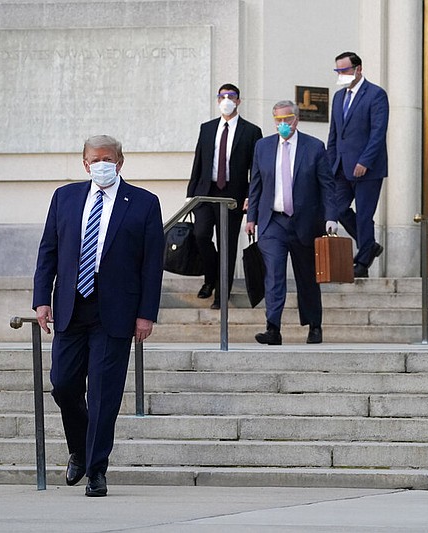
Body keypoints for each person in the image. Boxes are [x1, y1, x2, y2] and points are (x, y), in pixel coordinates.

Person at [32, 135, 164, 496]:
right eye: (94, 159)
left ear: (120, 162)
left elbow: (152, 265)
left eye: (107, 158)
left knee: (104, 393)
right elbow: (49, 250)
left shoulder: (143, 203)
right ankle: (79, 448)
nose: (100, 164)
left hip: (116, 311)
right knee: (63, 384)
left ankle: (96, 470)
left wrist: (146, 314)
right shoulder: (65, 197)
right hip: (71, 308)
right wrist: (41, 299)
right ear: (84, 163)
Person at [246, 101, 337, 345]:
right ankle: (273, 328)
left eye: (287, 119)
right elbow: (255, 184)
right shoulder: (262, 147)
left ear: (296, 120)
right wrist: (251, 217)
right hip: (272, 221)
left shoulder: (314, 147)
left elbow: (327, 185)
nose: (282, 124)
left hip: (305, 222)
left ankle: (314, 325)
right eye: (278, 120)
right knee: (274, 275)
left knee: (307, 277)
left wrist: (331, 217)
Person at [186, 84, 263, 309]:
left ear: (239, 101)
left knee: (226, 244)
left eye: (231, 97)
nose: (226, 100)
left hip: (233, 195)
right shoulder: (207, 128)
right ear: (217, 100)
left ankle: (221, 294)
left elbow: (255, 168)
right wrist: (191, 194)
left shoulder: (251, 131)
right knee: (201, 236)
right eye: (222, 96)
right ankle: (210, 277)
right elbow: (198, 162)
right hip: (206, 192)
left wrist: (251, 197)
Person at [326, 51, 389, 278]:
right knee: (338, 209)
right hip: (341, 167)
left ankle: (362, 263)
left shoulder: (375, 95)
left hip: (367, 169)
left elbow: (378, 132)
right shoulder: (338, 97)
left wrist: (365, 160)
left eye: (345, 70)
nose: (341, 74)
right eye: (338, 71)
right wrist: (330, 163)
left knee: (364, 214)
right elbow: (334, 134)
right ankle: (369, 245)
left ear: (358, 69)